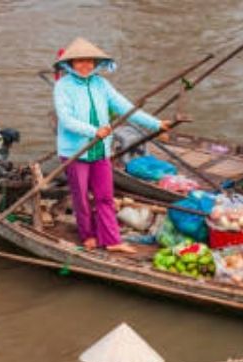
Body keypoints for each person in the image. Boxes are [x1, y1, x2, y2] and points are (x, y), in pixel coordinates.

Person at [53, 38, 170, 254]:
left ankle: (111, 239)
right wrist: (93, 131)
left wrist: (156, 124)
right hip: (75, 151)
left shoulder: (100, 84)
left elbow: (125, 106)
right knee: (81, 197)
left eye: (89, 61)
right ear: (70, 64)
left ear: (95, 63)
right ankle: (87, 234)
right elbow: (66, 119)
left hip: (100, 150)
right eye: (80, 61)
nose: (85, 65)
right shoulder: (63, 86)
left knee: (105, 196)